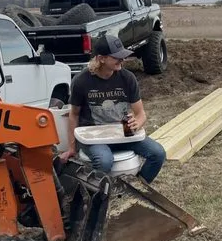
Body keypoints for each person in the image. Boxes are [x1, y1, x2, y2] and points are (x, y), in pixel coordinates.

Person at [59, 33, 166, 183]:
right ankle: (98, 193)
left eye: (122, 56)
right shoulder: (81, 81)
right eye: (116, 57)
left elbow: (140, 113)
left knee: (158, 153)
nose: (122, 60)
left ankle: (137, 187)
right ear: (101, 58)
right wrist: (71, 148)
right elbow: (74, 115)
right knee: (104, 161)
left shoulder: (127, 78)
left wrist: (137, 123)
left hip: (122, 131)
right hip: (93, 135)